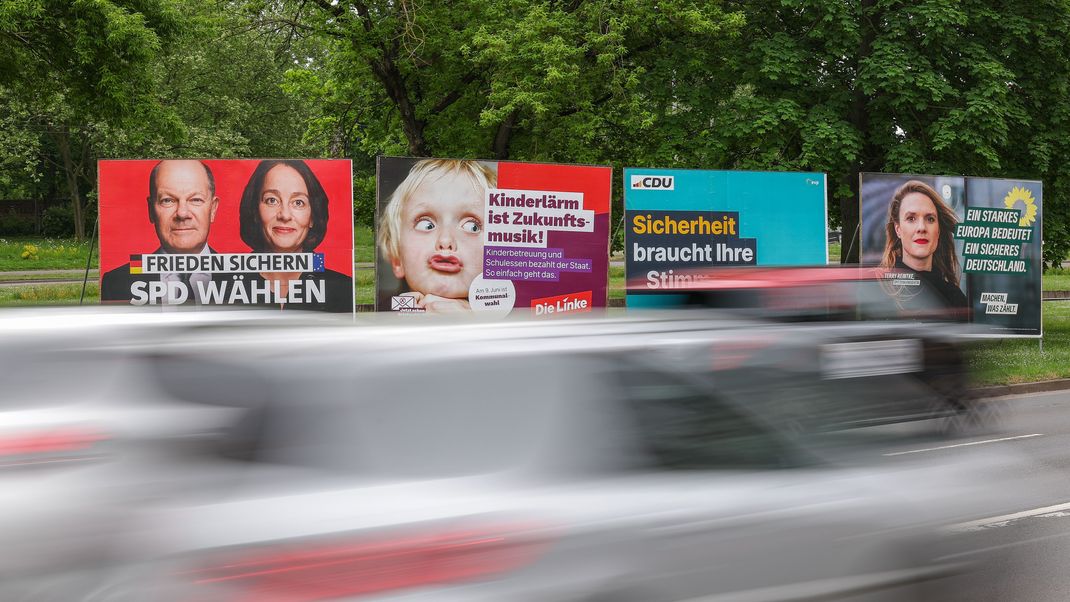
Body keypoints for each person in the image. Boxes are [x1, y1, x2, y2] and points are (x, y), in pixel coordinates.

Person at [378, 159, 496, 313]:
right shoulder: (382, 313)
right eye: (426, 224)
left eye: (472, 226)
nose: (445, 241)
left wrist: (478, 323)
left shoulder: (517, 317)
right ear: (397, 259)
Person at [101, 159, 223, 305]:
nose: (182, 213)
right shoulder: (115, 283)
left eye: (195, 200)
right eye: (168, 200)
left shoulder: (249, 279)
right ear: (151, 210)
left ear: (213, 209)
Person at [236, 159, 352, 312]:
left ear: (312, 217)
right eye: (272, 200)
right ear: (256, 211)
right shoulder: (225, 285)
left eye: (298, 202)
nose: (285, 215)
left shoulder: (343, 289)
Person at [878, 180, 969, 318]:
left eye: (930, 219)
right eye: (911, 218)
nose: (921, 227)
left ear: (938, 231)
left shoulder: (955, 298)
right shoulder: (879, 289)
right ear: (898, 230)